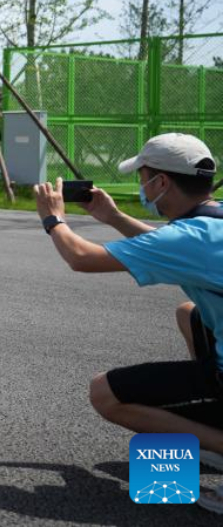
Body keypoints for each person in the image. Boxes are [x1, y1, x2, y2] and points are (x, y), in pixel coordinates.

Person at [32, 133, 222, 513]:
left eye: (143, 177)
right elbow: (171, 246)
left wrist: (53, 218)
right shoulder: (209, 226)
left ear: (162, 182)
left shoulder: (190, 237)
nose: (141, 186)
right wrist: (113, 217)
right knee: (189, 313)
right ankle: (209, 425)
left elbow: (81, 257)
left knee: (106, 393)